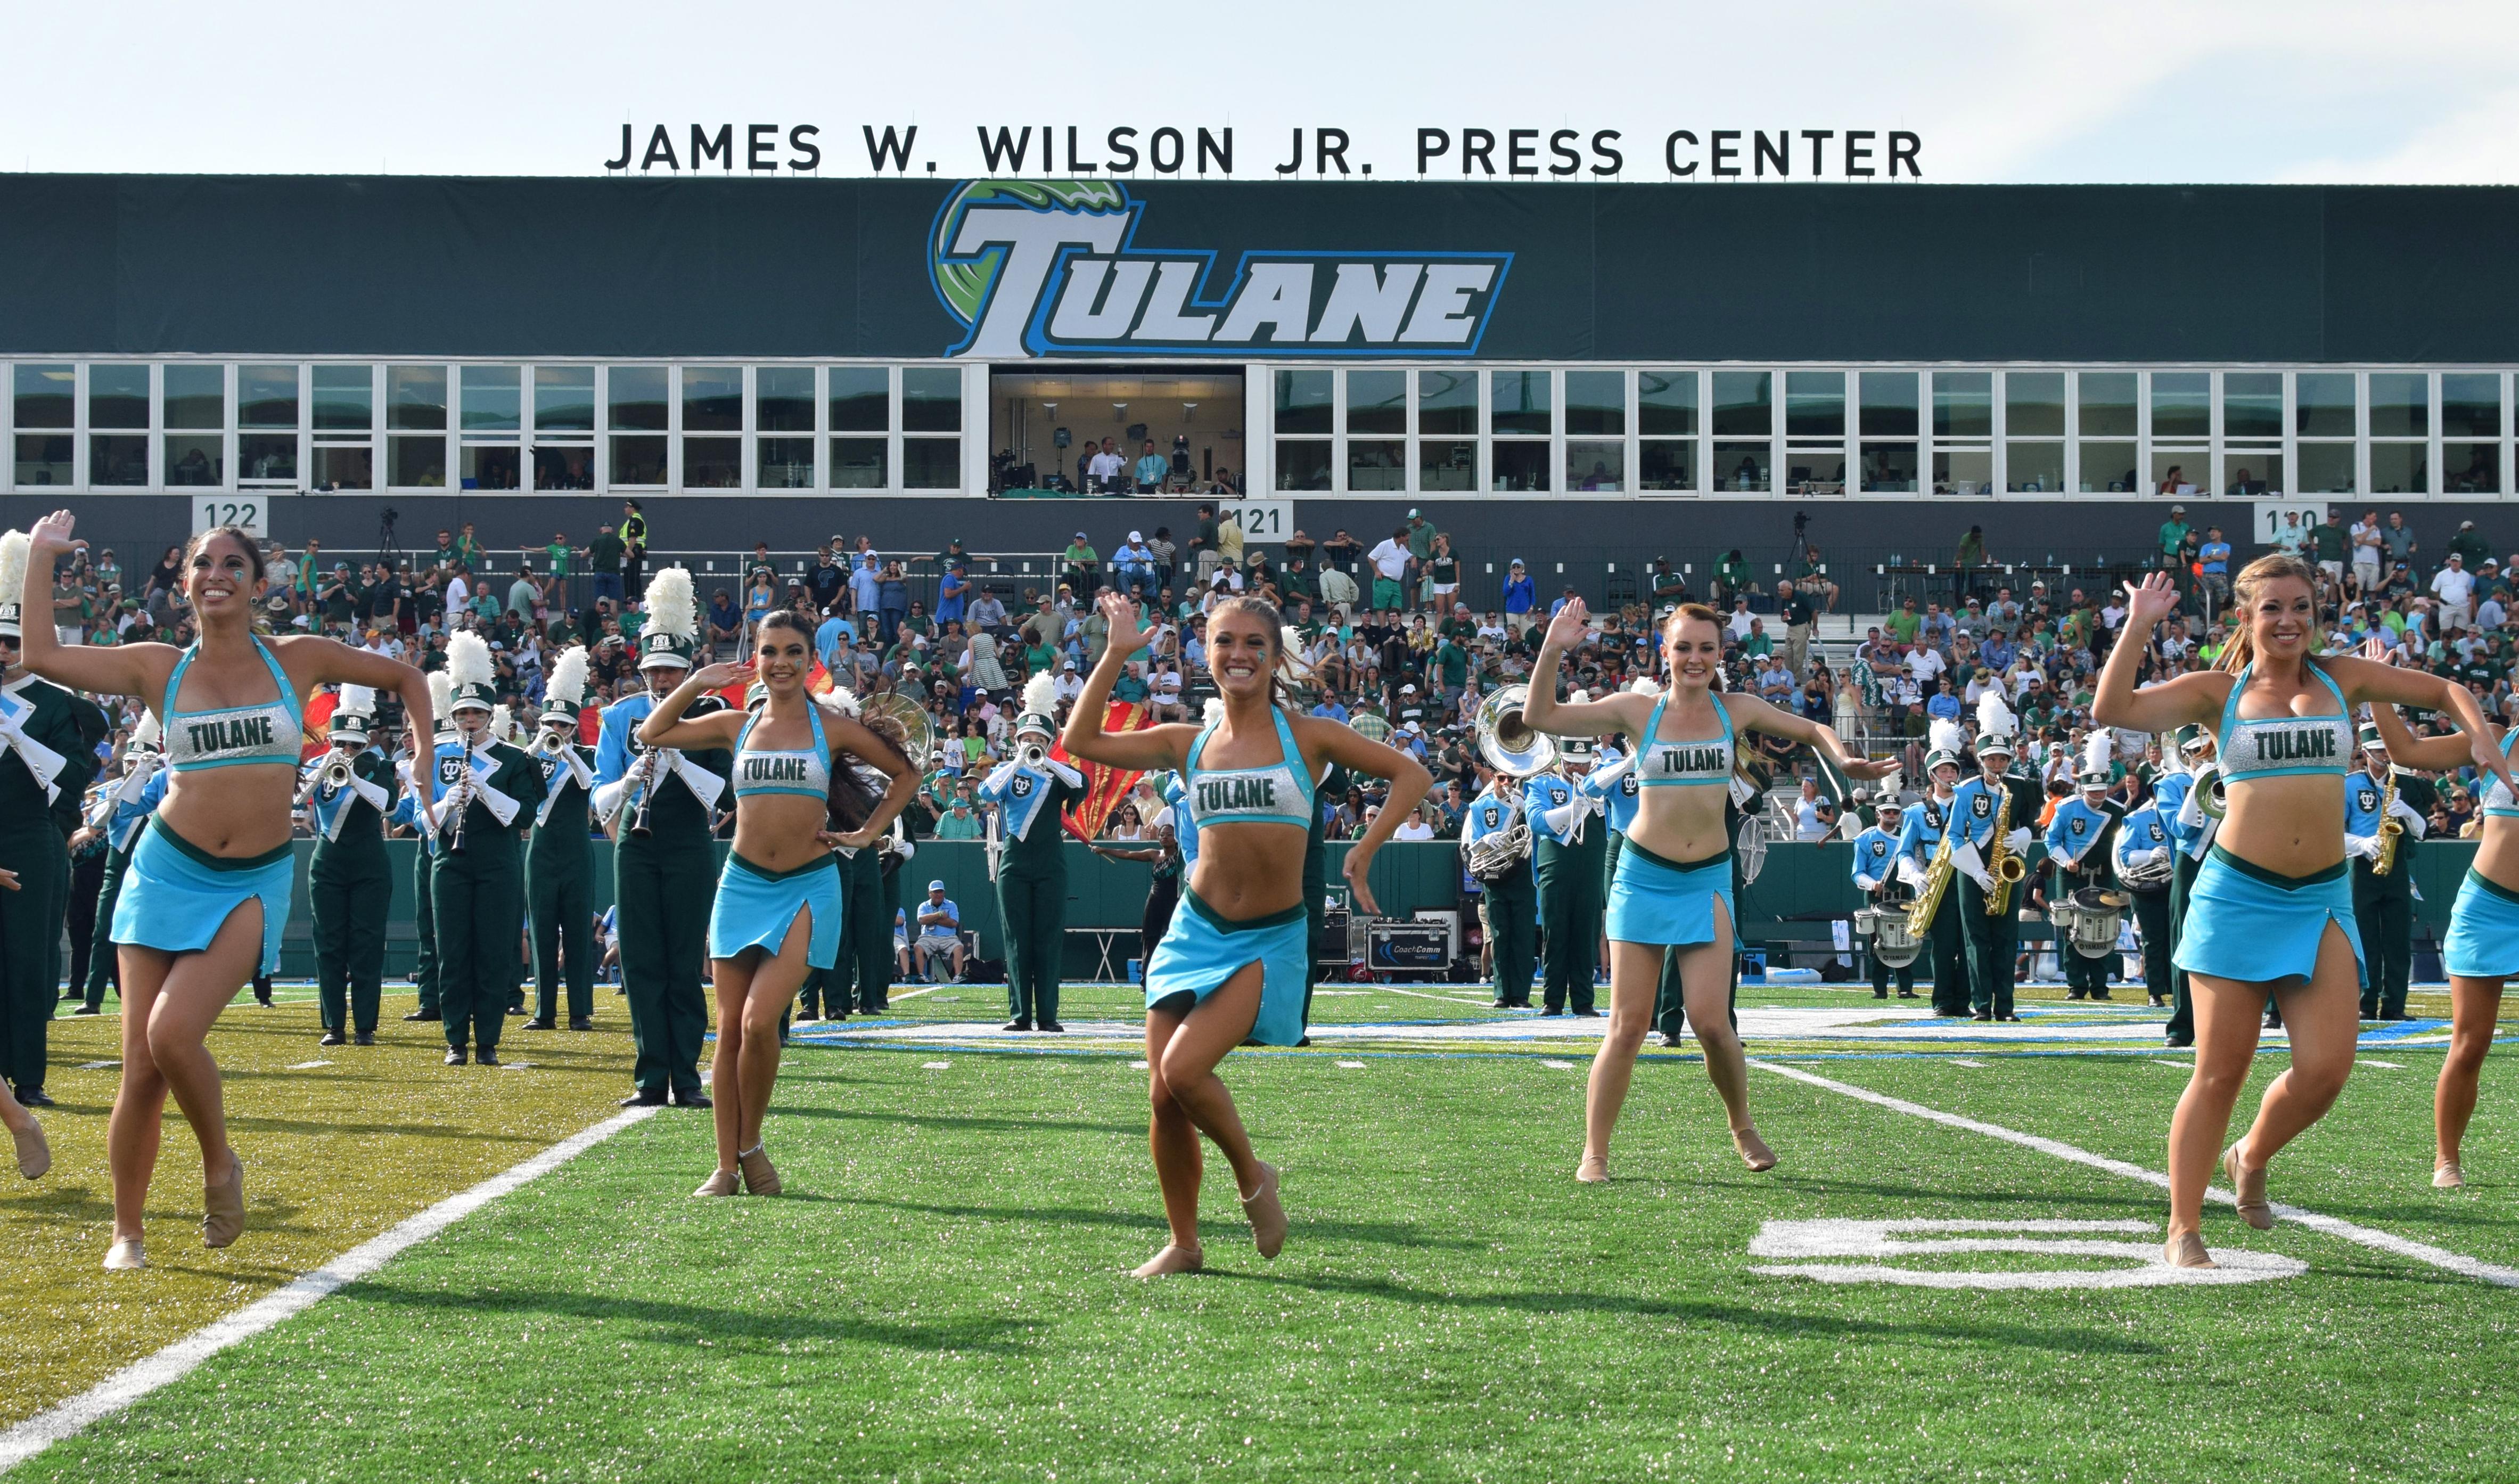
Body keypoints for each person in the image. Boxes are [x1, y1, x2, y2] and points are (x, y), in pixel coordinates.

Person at [14, 513, 434, 1270]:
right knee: (141, 1069)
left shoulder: (298, 658)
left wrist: (425, 754)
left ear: (258, 584)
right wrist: (41, 559)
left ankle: (219, 1163)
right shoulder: (157, 667)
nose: (217, 575)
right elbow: (41, 654)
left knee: (172, 1036)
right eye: (203, 564)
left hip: (252, 880)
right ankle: (128, 1232)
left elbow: (406, 678)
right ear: (185, 584)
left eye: (233, 564)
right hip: (164, 869)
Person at [2091, 556, 2513, 1270]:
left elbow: (2446, 689)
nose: (2287, 621)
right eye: (2272, 608)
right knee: (2219, 1070)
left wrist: (2478, 737)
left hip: (2320, 897)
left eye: (2301, 608)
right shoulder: (2217, 691)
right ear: (2245, 617)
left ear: (2316, 617)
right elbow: (2114, 710)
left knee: (2325, 1070)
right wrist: (2137, 625)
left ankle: (2250, 1154)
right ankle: (2183, 1225)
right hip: (2236, 895)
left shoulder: (2341, 678)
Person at [1063, 591, 1429, 1276]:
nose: (1239, 654)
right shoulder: (1188, 742)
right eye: (1225, 641)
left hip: (1268, 938)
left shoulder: (1309, 736)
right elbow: (1081, 742)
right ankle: (1184, 1244)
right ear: (1206, 652)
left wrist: (1364, 849)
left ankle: (1254, 1179)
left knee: (1183, 1071)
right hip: (1194, 931)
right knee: (1162, 1096)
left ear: (1275, 655)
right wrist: (1115, 653)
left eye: (1255, 643)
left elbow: (1413, 774)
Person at [1521, 599, 1894, 1180]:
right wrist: (1552, 646)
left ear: (1721, 654)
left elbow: (1811, 728)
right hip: (1642, 877)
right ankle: (1595, 1151)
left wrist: (1843, 759)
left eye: (1706, 648)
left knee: (1712, 1022)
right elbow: (1539, 716)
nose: (1694, 658)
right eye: (1683, 647)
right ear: (1664, 653)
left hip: (1708, 879)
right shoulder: (1636, 711)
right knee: (1628, 1025)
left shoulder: (1736, 709)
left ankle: (1742, 1126)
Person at [641, 611, 915, 1196]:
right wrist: (698, 682)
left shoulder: (832, 727)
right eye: (770, 652)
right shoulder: (734, 724)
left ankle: (750, 1146)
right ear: (756, 659)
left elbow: (905, 774)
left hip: (808, 886)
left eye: (794, 652)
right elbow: (653, 733)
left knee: (759, 1021)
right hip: (741, 886)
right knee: (729, 1031)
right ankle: (726, 1166)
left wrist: (869, 832)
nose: (781, 663)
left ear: (811, 660)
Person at [593, 567, 733, 1110]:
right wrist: (631, 782)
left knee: (683, 957)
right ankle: (651, 1076)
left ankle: (687, 1077)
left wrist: (677, 758)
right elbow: (600, 796)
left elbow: (723, 794)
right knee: (640, 959)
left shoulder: (710, 714)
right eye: (654, 670)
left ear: (688, 670)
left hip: (687, 840)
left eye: (672, 670)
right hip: (635, 841)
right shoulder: (621, 715)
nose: (662, 679)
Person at [0, 534, 107, 1112]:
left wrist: (21, 742)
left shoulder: (58, 702)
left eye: (13, 640)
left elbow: (71, 780)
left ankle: (28, 1077)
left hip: (31, 838)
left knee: (28, 957)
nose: (3, 650)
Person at [427, 634, 546, 1067]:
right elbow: (423, 820)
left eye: (477, 712)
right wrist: (448, 802)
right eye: (463, 713)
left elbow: (525, 815)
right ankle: (456, 1039)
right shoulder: (438, 756)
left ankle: (488, 1041)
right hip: (450, 861)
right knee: (453, 951)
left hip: (498, 863)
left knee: (494, 951)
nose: (470, 720)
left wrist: (484, 790)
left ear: (490, 715)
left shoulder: (516, 759)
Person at [978, 676, 1089, 1031]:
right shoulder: (1005, 772)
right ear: (1017, 741)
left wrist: (1048, 762)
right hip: (1014, 863)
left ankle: (1048, 1015)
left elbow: (1082, 785)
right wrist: (1018, 761)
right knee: (1016, 939)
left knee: (1048, 938)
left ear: (1049, 743)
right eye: (1027, 739)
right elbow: (985, 792)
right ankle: (1020, 1014)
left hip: (1051, 862)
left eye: (1039, 740)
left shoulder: (1058, 775)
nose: (1033, 745)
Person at [299, 685, 396, 1046]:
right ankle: (334, 1025)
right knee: (329, 943)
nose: (348, 751)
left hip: (369, 862)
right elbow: (294, 800)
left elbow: (389, 806)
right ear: (331, 740)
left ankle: (365, 1026)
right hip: (328, 862)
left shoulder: (379, 767)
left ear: (365, 742)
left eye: (354, 745)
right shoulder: (317, 767)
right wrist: (322, 769)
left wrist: (353, 776)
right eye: (341, 743)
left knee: (367, 943)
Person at [1946, 691, 2045, 1023]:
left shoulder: (2021, 787)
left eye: (2002, 760)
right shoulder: (1966, 789)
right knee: (1976, 938)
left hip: (2007, 866)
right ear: (1981, 760)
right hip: (1972, 867)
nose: (1997, 766)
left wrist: (2025, 835)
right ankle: (1981, 1005)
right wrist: (1975, 871)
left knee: (2005, 937)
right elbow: (1954, 835)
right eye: (1991, 760)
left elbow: (2031, 823)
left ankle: (2006, 1006)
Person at [525, 646, 600, 1032]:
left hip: (576, 851)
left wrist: (567, 751)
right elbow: (517, 781)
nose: (557, 729)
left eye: (563, 724)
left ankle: (580, 1011)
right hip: (540, 851)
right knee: (541, 929)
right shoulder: (532, 756)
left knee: (577, 930)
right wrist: (537, 746)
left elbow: (589, 784)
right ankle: (544, 1011)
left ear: (573, 726)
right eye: (551, 723)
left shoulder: (586, 754)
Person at [75, 715, 167, 1015]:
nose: (131, 767)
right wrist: (114, 799)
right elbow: (97, 825)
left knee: (155, 932)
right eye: (128, 762)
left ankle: (160, 997)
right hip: (117, 866)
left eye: (137, 763)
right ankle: (93, 999)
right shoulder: (109, 789)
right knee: (104, 929)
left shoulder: (159, 786)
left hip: (154, 867)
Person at [2343, 721, 2432, 1022]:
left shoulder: (2405, 783)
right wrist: (2362, 843)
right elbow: (2331, 833)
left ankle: (2395, 1004)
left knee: (2397, 939)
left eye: (2388, 750)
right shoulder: (2350, 784)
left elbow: (2423, 832)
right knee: (2364, 937)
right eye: (2379, 750)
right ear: (2366, 751)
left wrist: (2408, 812)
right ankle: (2365, 1003)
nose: (2385, 755)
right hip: (2362, 866)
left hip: (2397, 866)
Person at [1522, 719, 1606, 1017]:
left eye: (1583, 764)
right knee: (1555, 933)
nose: (1578, 769)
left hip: (1591, 869)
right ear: (1562, 760)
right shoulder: (1543, 784)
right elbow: (1536, 821)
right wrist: (1573, 809)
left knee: (1587, 934)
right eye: (1572, 763)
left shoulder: (1600, 785)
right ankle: (1553, 999)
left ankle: (1584, 1000)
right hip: (1555, 867)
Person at [1896, 720, 1973, 1017]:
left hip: (1967, 878)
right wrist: (1915, 875)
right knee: (1943, 946)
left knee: (1968, 945)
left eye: (1953, 770)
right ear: (1932, 775)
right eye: (1944, 770)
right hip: (1935, 882)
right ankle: (1942, 1000)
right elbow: (1904, 851)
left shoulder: (1970, 806)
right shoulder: (1916, 812)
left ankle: (1964, 1001)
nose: (1950, 774)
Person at [2040, 734, 2122, 1002]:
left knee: (2103, 928)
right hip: (2072, 875)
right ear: (2083, 790)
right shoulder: (2067, 808)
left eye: (2101, 791)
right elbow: (2051, 841)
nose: (2098, 796)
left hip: (2103, 874)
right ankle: (2075, 984)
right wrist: (2067, 861)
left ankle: (2100, 986)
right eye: (2093, 792)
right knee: (2071, 928)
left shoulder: (2117, 810)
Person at [1462, 769, 1536, 1009]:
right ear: (1493, 778)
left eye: (1511, 779)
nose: (1506, 783)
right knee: (1500, 936)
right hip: (1495, 879)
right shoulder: (1479, 807)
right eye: (1501, 778)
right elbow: (1472, 846)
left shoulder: (1527, 803)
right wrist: (1485, 840)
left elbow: (1540, 831)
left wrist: (1526, 808)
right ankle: (1502, 993)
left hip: (1523, 876)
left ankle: (1521, 994)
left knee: (1523, 936)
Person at [2112, 781, 2178, 1009]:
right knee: (2153, 939)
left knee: (2178, 938)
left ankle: (2179, 990)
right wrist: (2150, 855)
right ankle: (2155, 991)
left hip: (2177, 884)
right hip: (2148, 888)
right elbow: (2126, 855)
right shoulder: (2138, 819)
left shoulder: (2184, 818)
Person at [1851, 799, 1917, 999]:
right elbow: (1857, 873)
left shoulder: (1908, 835)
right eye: (1887, 811)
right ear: (1878, 813)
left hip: (1903, 894)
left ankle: (1905, 988)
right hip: (1877, 896)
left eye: (1895, 812)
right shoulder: (1866, 838)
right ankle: (1880, 989)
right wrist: (1873, 884)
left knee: (1905, 940)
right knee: (1877, 943)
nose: (1892, 815)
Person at [912, 881, 965, 980]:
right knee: (918, 947)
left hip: (949, 938)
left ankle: (958, 976)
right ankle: (921, 976)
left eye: (941, 892)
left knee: (959, 947)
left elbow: (954, 923)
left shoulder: (951, 905)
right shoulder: (924, 906)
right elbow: (922, 920)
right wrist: (939, 915)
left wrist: (932, 920)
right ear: (930, 894)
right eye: (936, 892)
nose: (939, 895)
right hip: (928, 937)